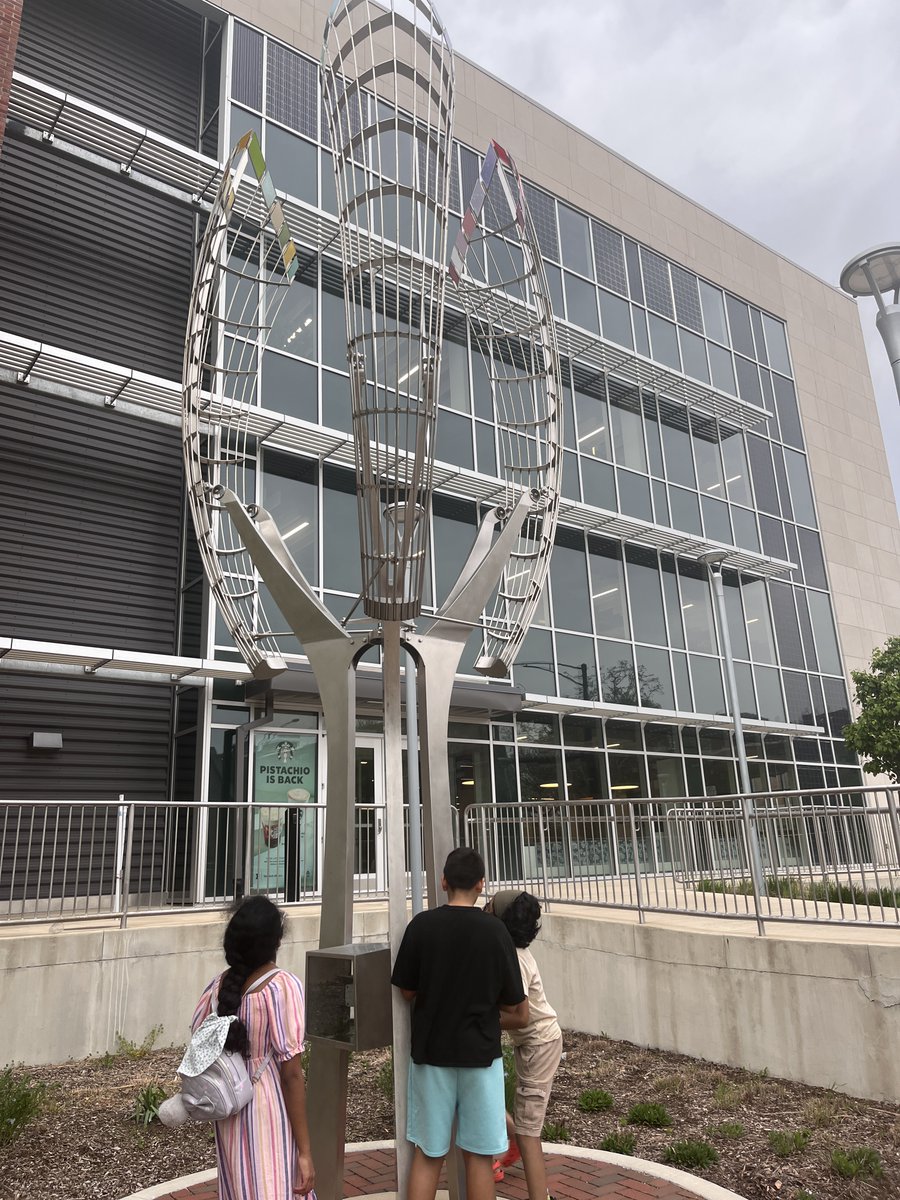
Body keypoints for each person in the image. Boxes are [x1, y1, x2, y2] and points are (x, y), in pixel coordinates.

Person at [391, 847, 530, 1200]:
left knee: (428, 1154)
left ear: (443, 881)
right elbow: (513, 1002)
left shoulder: (421, 926)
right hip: (481, 1055)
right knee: (480, 1157)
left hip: (431, 1055)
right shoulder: (496, 932)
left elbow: (406, 990)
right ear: (481, 884)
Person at [187, 895, 315, 1200]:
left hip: (230, 1104)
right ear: (277, 941)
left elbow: (199, 1037)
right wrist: (305, 1151)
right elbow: (291, 1075)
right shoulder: (282, 987)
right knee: (275, 1185)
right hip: (268, 1107)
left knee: (240, 1187)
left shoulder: (217, 988)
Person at [487, 890, 562, 1200]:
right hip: (535, 1045)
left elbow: (521, 1017)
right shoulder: (512, 952)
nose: (484, 910)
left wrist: (477, 1019)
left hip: (539, 1045)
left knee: (529, 1133)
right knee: (526, 1127)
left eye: (489, 908)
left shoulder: (515, 959)